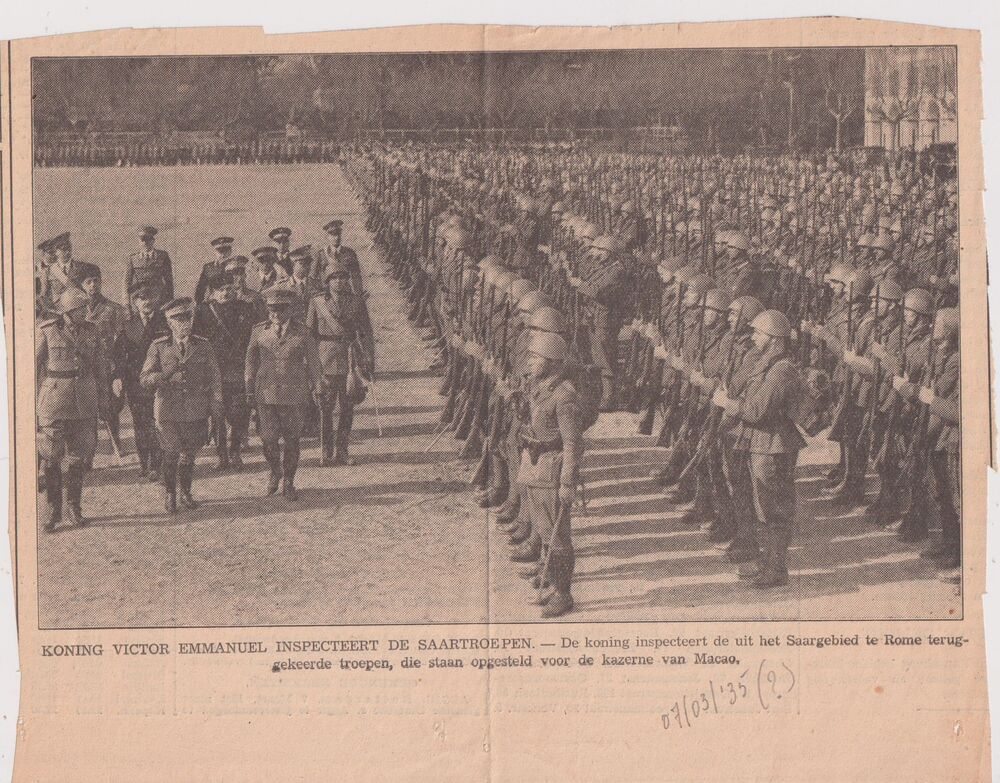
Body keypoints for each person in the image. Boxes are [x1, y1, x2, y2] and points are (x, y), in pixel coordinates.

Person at [713, 309, 805, 588]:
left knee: (773, 509)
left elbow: (756, 411)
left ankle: (776, 569)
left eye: (758, 333)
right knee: (764, 506)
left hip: (774, 446)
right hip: (762, 443)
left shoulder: (781, 370)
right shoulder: (767, 363)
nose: (753, 337)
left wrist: (727, 404)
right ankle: (768, 563)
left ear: (774, 338)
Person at [517, 331, 584, 618]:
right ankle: (553, 582)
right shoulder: (541, 387)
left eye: (536, 357)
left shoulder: (564, 396)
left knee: (558, 537)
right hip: (536, 467)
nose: (530, 362)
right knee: (545, 531)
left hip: (553, 472)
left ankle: (563, 594)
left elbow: (572, 443)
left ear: (552, 360)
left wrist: (567, 482)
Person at [36, 288, 111, 530]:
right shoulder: (47, 330)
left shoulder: (92, 330)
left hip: (84, 402)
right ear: (68, 311)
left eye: (85, 308)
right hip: (54, 401)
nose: (85, 312)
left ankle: (73, 507)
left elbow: (100, 368)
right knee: (51, 456)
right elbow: (32, 367)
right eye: (79, 309)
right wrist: (32, 403)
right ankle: (52, 509)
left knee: (78, 457)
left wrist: (104, 399)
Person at [140, 297, 223, 513]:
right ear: (169, 322)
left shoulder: (203, 345)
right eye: (179, 319)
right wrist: (163, 377)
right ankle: (170, 493)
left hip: (195, 409)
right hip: (167, 410)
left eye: (188, 318)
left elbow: (214, 377)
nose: (185, 323)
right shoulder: (159, 346)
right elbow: (145, 378)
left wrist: (215, 404)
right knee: (170, 453)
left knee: (188, 455)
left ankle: (185, 492)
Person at [245, 288, 324, 500]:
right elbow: (250, 361)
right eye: (272, 309)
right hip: (266, 393)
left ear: (290, 309)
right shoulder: (258, 331)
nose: (276, 314)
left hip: (294, 393)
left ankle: (289, 480)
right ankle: (275, 470)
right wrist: (249, 387)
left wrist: (318, 386)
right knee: (268, 439)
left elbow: (314, 362)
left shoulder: (303, 332)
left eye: (280, 309)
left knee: (292, 439)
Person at [305, 262, 375, 466]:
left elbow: (366, 333)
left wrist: (368, 358)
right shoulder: (317, 302)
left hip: (349, 360)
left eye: (343, 277)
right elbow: (309, 335)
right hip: (325, 360)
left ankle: (342, 451)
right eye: (334, 278)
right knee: (325, 408)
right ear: (327, 281)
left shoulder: (356, 302)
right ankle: (326, 451)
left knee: (347, 408)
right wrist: (310, 364)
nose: (339, 281)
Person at [193, 269, 257, 471]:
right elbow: (196, 341)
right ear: (212, 292)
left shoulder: (246, 308)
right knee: (217, 414)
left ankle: (235, 451)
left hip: (239, 369)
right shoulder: (203, 311)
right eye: (221, 290)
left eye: (229, 288)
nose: (226, 293)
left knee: (239, 414)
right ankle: (222, 456)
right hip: (214, 371)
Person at [114, 282, 167, 482]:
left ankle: (157, 464)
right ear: (135, 302)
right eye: (141, 298)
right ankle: (145, 463)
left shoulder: (164, 323)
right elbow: (119, 355)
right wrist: (118, 376)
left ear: (156, 299)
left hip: (159, 380)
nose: (147, 302)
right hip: (135, 382)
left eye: (150, 297)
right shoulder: (128, 326)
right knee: (140, 424)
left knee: (158, 422)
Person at [77, 262, 128, 460]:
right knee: (87, 411)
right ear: (82, 285)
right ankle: (88, 452)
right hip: (85, 367)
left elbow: (121, 340)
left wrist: (117, 370)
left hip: (107, 366)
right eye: (88, 282)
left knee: (111, 407)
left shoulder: (113, 309)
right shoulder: (77, 310)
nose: (93, 286)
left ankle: (117, 444)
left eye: (96, 281)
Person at [124, 226, 173, 309]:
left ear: (153, 240)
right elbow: (126, 283)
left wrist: (169, 302)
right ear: (139, 241)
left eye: (148, 239)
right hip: (138, 300)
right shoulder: (133, 259)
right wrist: (127, 304)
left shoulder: (163, 256)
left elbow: (169, 282)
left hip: (158, 300)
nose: (145, 243)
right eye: (142, 240)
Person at [194, 236, 235, 303]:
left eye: (226, 250)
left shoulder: (236, 266)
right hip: (214, 302)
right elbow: (200, 289)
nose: (223, 254)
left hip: (233, 302)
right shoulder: (208, 268)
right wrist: (199, 304)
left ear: (230, 251)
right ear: (215, 252)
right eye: (220, 251)